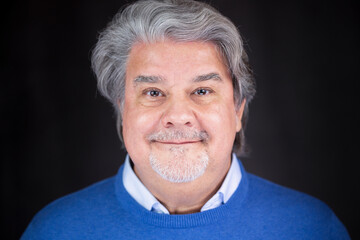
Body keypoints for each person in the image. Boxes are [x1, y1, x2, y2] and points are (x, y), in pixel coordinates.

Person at [21, 0, 350, 239]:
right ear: (122, 111)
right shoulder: (54, 230)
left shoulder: (311, 228)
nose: (177, 116)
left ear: (237, 111)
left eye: (203, 91)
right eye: (152, 92)